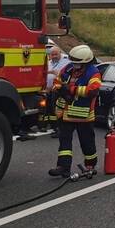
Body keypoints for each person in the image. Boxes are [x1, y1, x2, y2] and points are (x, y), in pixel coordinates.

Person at [48, 45, 101, 177]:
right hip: (65, 114)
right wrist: (59, 88)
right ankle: (63, 167)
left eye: (78, 63)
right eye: (74, 62)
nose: (75, 65)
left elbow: (93, 90)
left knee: (87, 142)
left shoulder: (93, 72)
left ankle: (90, 165)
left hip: (83, 115)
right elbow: (57, 81)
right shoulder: (68, 68)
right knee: (64, 141)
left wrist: (72, 89)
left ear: (86, 62)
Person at [44, 45, 69, 137]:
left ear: (60, 53)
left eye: (56, 54)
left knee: (59, 110)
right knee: (52, 110)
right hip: (50, 90)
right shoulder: (49, 62)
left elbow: (65, 75)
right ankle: (54, 127)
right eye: (52, 54)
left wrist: (55, 73)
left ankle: (60, 129)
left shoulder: (66, 62)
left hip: (61, 91)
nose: (54, 56)